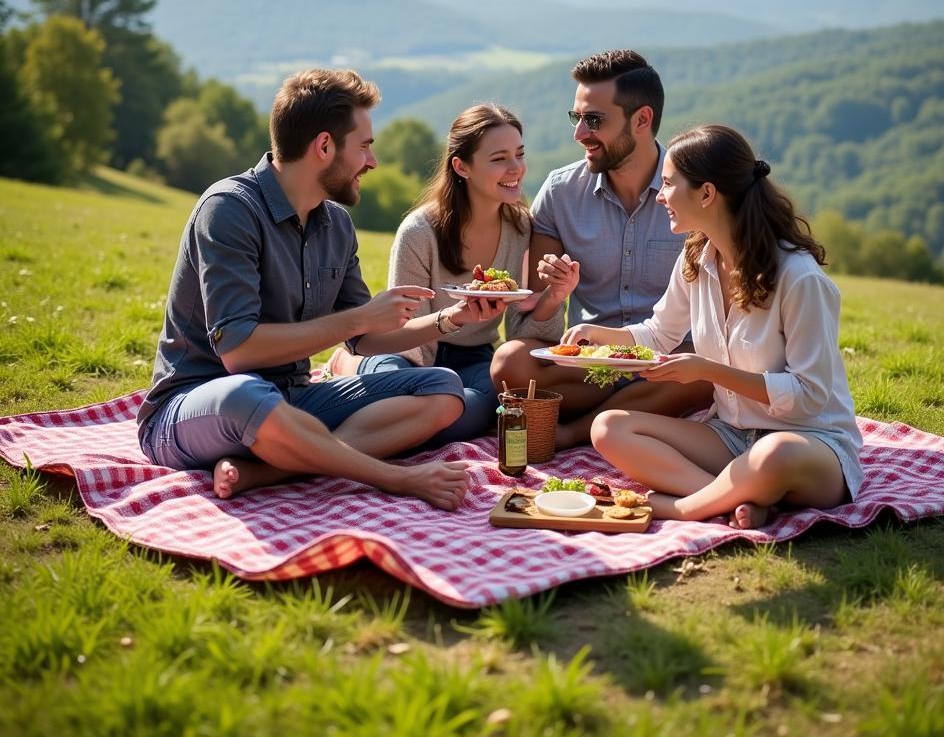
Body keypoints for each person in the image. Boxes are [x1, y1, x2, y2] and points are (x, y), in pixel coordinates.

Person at [136, 68, 470, 509]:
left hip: (292, 398)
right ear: (324, 146)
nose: (372, 162)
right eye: (365, 147)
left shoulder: (336, 225)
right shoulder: (229, 210)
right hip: (198, 404)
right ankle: (390, 477)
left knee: (443, 388)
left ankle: (271, 469)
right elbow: (239, 352)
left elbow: (364, 339)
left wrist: (451, 319)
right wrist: (360, 317)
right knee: (245, 394)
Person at [579, 125, 864, 528]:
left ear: (707, 193)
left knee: (771, 456)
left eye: (667, 184)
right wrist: (599, 338)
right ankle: (734, 500)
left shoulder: (799, 278)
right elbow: (660, 333)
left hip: (809, 444)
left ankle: (685, 507)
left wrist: (708, 371)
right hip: (731, 435)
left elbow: (810, 397)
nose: (659, 197)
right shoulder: (697, 259)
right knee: (608, 427)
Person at [489, 50, 712, 448]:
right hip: (587, 362)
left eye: (594, 120)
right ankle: (630, 412)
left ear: (641, 120)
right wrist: (554, 295)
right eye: (576, 118)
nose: (579, 134)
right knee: (510, 362)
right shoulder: (560, 193)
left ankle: (573, 432)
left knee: (709, 371)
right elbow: (529, 326)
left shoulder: (695, 193)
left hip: (671, 363)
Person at [327, 104, 564, 443]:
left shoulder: (522, 227)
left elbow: (523, 331)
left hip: (474, 359)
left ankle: (378, 414)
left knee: (467, 417)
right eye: (499, 158)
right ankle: (349, 365)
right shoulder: (420, 232)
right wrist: (451, 323)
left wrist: (554, 298)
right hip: (408, 352)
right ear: (461, 166)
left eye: (519, 154)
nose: (516, 169)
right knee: (402, 404)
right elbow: (401, 327)